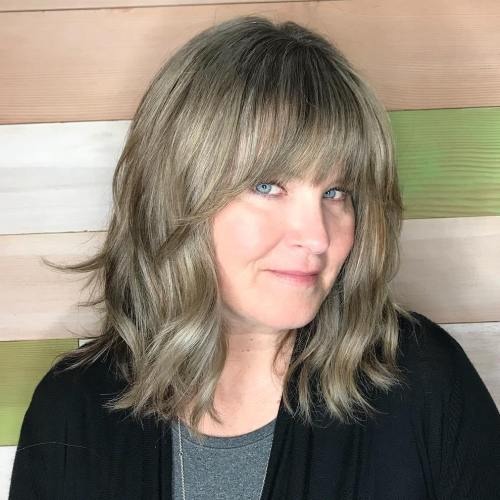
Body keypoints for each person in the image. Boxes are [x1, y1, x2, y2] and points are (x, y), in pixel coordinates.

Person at [8, 15, 500, 500]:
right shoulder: (71, 413)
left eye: (337, 192)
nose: (317, 237)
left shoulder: (424, 382)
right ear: (177, 192)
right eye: (267, 186)